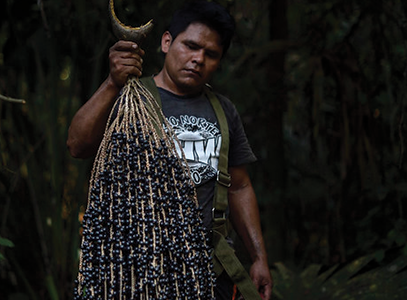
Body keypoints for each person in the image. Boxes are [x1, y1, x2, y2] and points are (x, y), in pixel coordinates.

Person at [67, 1, 273, 299]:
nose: (198, 59)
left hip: (209, 273)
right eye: (190, 46)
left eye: (211, 54)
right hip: (140, 273)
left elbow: (239, 186)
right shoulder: (129, 102)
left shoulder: (224, 111)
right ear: (166, 42)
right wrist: (113, 82)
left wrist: (259, 258)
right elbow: (77, 145)